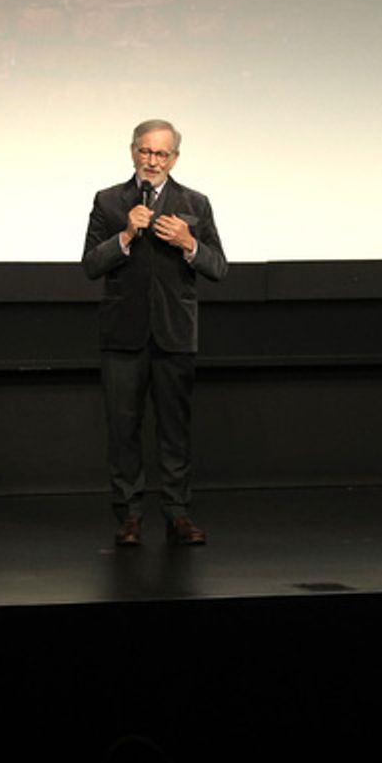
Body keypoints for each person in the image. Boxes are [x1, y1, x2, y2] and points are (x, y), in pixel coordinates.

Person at [82, 118, 227, 546]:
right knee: (123, 430)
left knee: (174, 429)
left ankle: (177, 513)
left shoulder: (194, 204)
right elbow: (90, 265)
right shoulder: (109, 202)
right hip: (122, 336)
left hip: (174, 335)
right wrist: (126, 234)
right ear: (132, 152)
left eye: (161, 153)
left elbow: (218, 267)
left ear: (174, 158)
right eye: (145, 151)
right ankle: (129, 515)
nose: (152, 160)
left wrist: (188, 243)